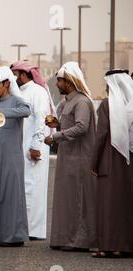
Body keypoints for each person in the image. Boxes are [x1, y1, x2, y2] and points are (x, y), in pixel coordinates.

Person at [45, 62, 97, 251]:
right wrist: (57, 124)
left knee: (78, 199)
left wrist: (55, 136)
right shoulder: (68, 101)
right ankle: (64, 238)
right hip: (68, 157)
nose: (57, 84)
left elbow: (82, 127)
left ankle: (80, 241)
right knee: (67, 199)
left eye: (59, 81)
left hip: (80, 159)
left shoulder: (82, 101)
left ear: (70, 82)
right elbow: (69, 124)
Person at [0, 66, 31, 247]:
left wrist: (1, 113)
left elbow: (27, 111)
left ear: (7, 84)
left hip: (12, 158)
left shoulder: (17, 101)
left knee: (12, 195)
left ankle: (14, 236)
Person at [91, 69, 133, 258]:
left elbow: (100, 137)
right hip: (129, 161)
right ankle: (125, 246)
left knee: (108, 205)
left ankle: (108, 246)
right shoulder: (130, 104)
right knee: (126, 204)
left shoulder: (108, 106)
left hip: (110, 159)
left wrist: (94, 162)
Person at [11, 61, 53, 241]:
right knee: (23, 188)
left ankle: (34, 230)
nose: (14, 78)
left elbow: (42, 120)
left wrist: (36, 146)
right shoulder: (19, 92)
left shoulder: (38, 92)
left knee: (33, 188)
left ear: (23, 74)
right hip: (22, 147)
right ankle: (23, 228)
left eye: (15, 74)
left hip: (34, 148)